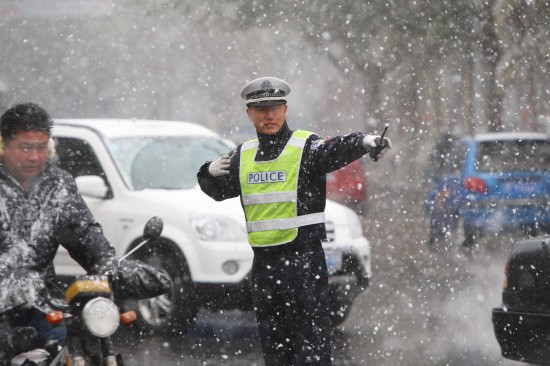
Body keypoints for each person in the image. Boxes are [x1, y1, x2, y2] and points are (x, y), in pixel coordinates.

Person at [197, 76, 392, 365]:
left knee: (311, 350)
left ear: (285, 110)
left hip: (304, 264)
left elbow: (335, 148)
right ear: (249, 114)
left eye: (275, 108)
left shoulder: (305, 148)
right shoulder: (243, 156)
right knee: (276, 351)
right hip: (264, 267)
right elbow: (216, 191)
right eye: (261, 110)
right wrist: (208, 172)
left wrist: (364, 142)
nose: (269, 115)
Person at [0, 102, 169, 365]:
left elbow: (82, 234)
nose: (34, 156)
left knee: (79, 342)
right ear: (3, 145)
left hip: (39, 304)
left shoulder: (57, 185)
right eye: (25, 148)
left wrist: (108, 264)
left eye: (40, 147)